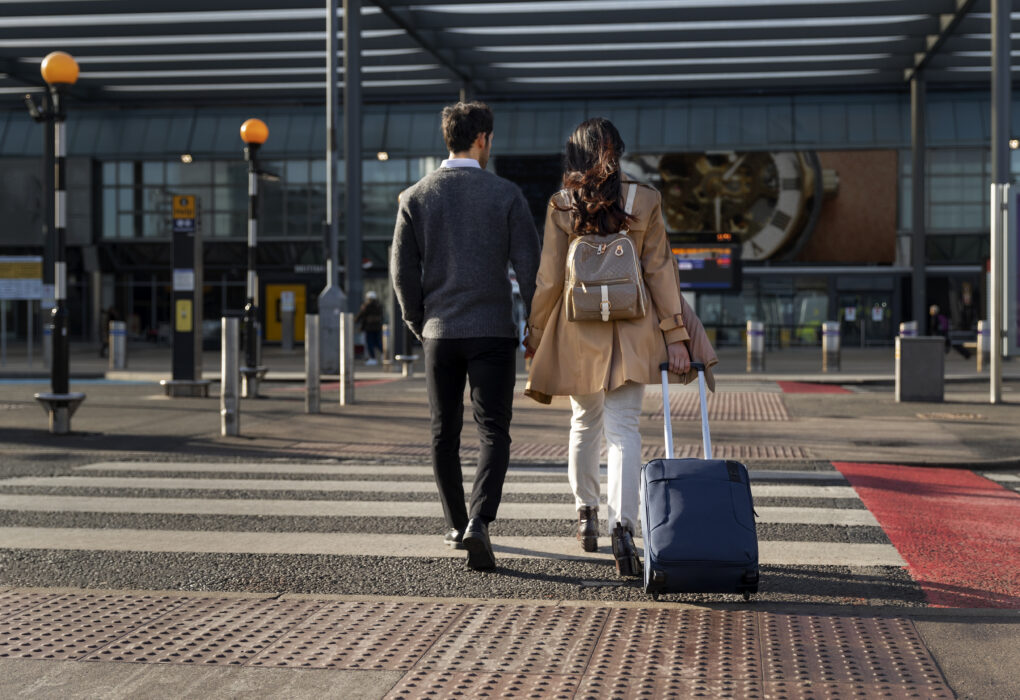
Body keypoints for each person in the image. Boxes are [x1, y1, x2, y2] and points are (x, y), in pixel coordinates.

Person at [524, 117, 718, 577]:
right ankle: (623, 527)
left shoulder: (561, 204)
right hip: (633, 332)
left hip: (577, 333)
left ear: (573, 155)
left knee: (583, 422)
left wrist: (534, 334)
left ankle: (585, 512)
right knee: (625, 430)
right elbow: (660, 273)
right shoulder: (644, 199)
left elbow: (550, 279)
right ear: (619, 152)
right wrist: (675, 336)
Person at [390, 101, 541, 570]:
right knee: (493, 430)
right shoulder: (506, 195)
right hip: (493, 330)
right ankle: (480, 520)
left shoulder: (414, 197)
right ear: (482, 140)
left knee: (443, 432)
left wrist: (421, 323)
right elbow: (531, 269)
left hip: (440, 331)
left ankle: (456, 524)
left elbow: (402, 274)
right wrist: (534, 326)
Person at [355, 291, 384, 365]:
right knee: (378, 342)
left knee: (370, 343)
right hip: (378, 327)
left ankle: (373, 358)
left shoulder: (367, 306)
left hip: (369, 328)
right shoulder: (379, 306)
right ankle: (384, 355)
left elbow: (361, 315)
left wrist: (355, 321)